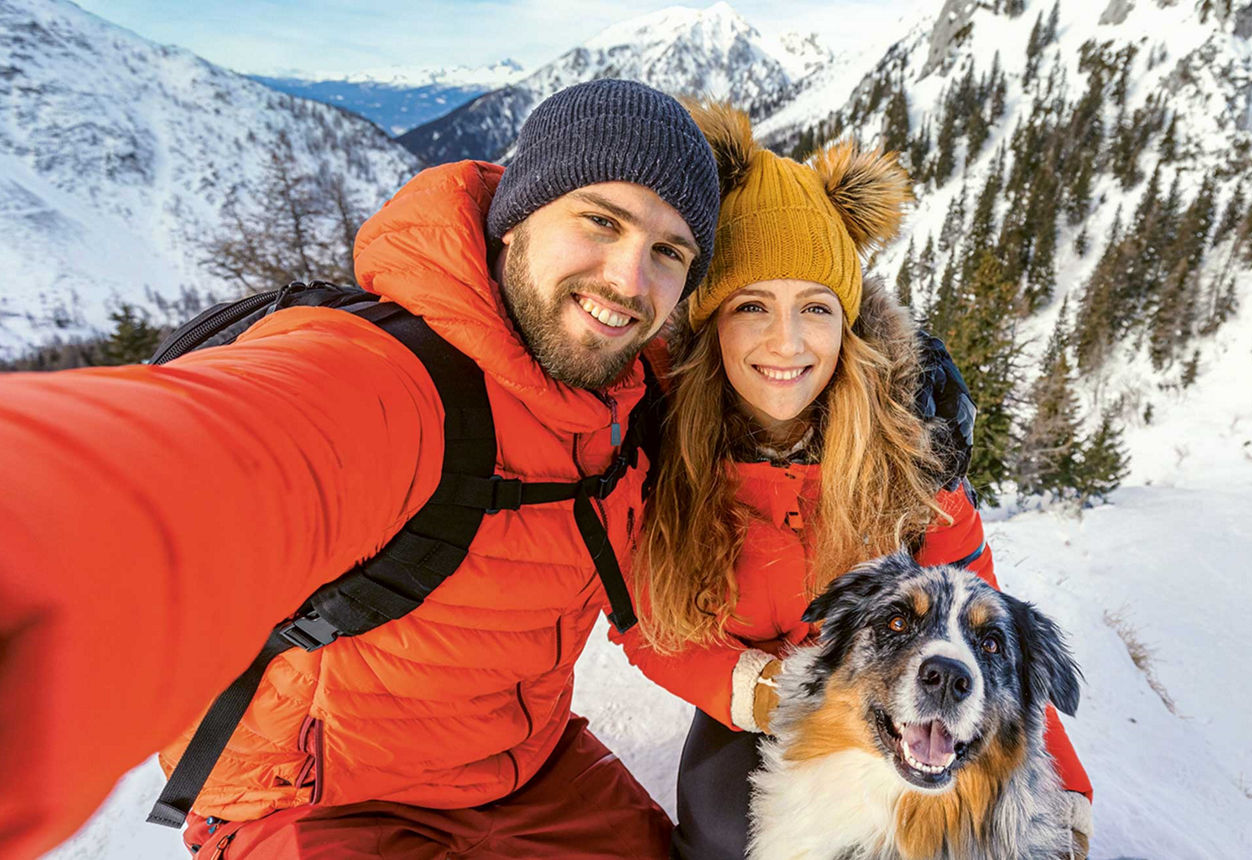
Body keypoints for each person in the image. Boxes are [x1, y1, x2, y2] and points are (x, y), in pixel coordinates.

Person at [0, 79, 720, 860]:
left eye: (668, 252)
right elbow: (180, 462)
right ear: (515, 222)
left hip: (526, 771)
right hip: (318, 805)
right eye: (600, 221)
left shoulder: (630, 404)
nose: (627, 280)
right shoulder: (387, 384)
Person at [611, 103, 1094, 860]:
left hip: (900, 684)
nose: (787, 342)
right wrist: (753, 690)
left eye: (815, 308)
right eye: (751, 306)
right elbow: (643, 623)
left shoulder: (911, 446)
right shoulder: (658, 441)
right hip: (748, 694)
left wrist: (1061, 793)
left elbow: (983, 617)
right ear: (709, 322)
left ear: (849, 324)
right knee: (722, 835)